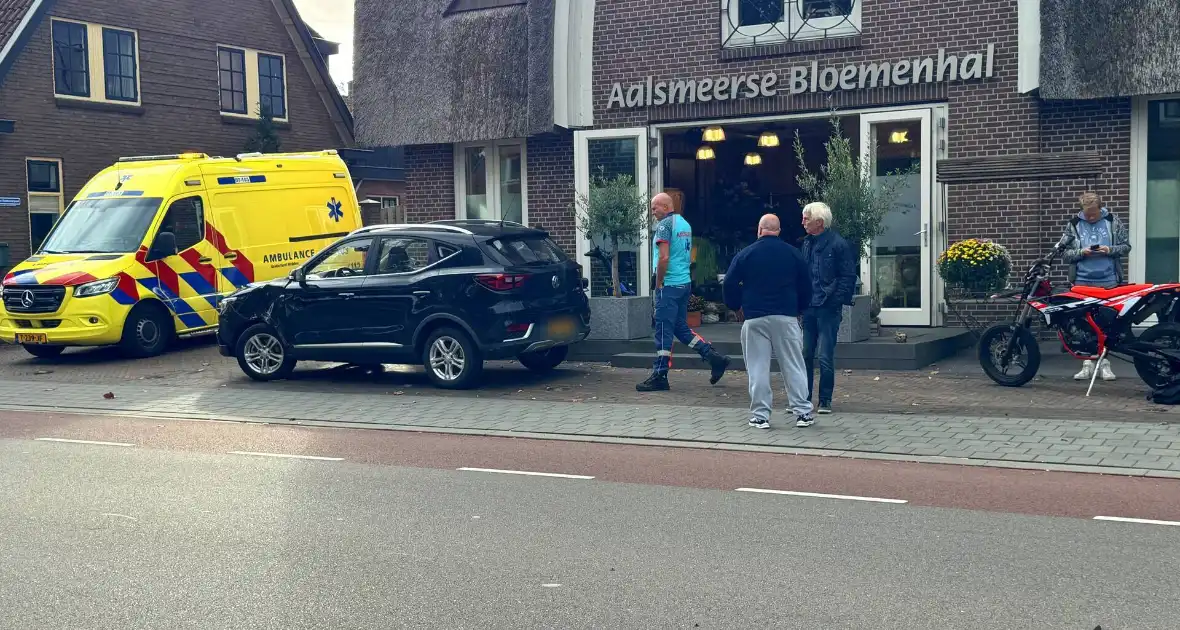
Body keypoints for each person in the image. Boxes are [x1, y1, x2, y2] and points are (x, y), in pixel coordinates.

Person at [723, 214, 815, 429]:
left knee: (757, 367)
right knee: (794, 364)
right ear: (779, 230)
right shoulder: (793, 254)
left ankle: (760, 415)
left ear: (759, 230)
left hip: (755, 316)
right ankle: (802, 412)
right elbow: (806, 285)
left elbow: (729, 283)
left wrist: (736, 306)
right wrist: (800, 308)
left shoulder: (746, 254)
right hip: (786, 315)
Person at [636, 193, 731, 392]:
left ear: (665, 206)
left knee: (663, 329)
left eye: (655, 208)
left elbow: (663, 258)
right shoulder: (684, 224)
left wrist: (659, 282)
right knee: (681, 328)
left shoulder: (664, 226)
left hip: (669, 285)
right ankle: (714, 358)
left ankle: (660, 374)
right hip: (684, 283)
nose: (652, 212)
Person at [1060, 191, 1130, 382]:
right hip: (1082, 280)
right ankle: (1087, 364)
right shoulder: (1074, 224)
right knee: (1083, 323)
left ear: (1100, 209)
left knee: (1106, 323)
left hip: (1108, 280)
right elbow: (1065, 253)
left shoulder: (1112, 222)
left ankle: (1105, 364)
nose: (1090, 217)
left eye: (1094, 214)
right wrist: (1081, 252)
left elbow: (1126, 246)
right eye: (1087, 214)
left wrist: (1110, 250)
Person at [800, 202, 857, 415]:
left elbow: (848, 276)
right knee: (805, 353)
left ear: (819, 222)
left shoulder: (838, 244)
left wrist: (835, 301)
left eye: (806, 218)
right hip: (809, 306)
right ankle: (803, 399)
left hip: (827, 307)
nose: (803, 222)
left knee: (824, 355)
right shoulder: (806, 243)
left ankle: (825, 400)